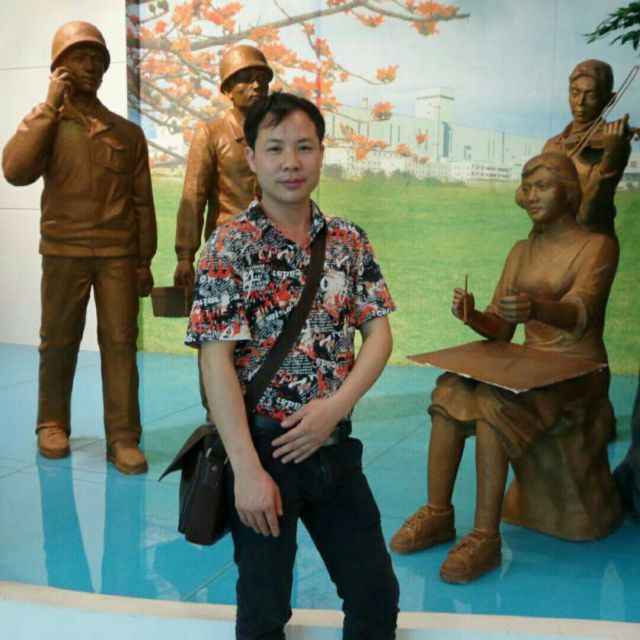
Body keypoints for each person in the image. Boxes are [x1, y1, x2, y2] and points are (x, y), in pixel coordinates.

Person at [185, 92, 399, 638]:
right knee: (264, 611)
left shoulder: (348, 240)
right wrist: (247, 472)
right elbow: (216, 363)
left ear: (321, 153)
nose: (291, 162)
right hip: (263, 452)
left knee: (375, 596)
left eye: (304, 147)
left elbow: (378, 334)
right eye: (275, 148)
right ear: (251, 157)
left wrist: (335, 408)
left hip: (334, 449)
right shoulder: (228, 246)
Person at [391, 153, 619, 583]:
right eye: (527, 188)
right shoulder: (521, 251)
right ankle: (438, 512)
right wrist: (473, 315)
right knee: (449, 388)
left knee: (493, 403)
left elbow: (582, 312)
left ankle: (485, 537)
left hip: (579, 370)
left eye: (543, 187)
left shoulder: (597, 247)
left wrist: (537, 308)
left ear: (569, 192)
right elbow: (500, 328)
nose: (531, 196)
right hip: (531, 366)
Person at [2, 21, 157, 474]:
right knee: (57, 341)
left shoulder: (126, 134)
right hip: (63, 251)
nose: (90, 66)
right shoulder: (47, 124)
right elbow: (14, 170)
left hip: (117, 255)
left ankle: (123, 436)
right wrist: (50, 105)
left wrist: (144, 260)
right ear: (60, 67)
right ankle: (52, 422)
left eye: (97, 59)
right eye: (79, 57)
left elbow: (142, 203)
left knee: (120, 344)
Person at [174, 44, 273, 420]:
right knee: (216, 339)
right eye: (246, 79)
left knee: (267, 336)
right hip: (224, 257)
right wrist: (185, 254)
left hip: (271, 253)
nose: (256, 85)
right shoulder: (211, 133)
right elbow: (192, 195)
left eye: (262, 79)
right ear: (228, 89)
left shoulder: (273, 134)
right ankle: (217, 417)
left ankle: (260, 414)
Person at [526, 60, 632, 238]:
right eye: (574, 93)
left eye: (590, 96)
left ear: (610, 100)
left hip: (591, 240)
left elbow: (588, 217)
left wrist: (611, 158)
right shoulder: (553, 145)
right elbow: (528, 200)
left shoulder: (612, 145)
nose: (580, 103)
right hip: (549, 239)